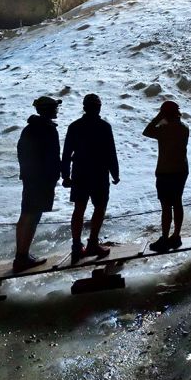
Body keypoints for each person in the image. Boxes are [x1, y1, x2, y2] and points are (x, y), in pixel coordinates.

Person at [62, 93, 120, 262]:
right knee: (100, 207)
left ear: (84, 108)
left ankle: (76, 246)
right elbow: (111, 153)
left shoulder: (75, 126)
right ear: (99, 108)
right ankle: (93, 243)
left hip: (80, 172)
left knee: (79, 208)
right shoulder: (104, 126)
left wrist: (65, 175)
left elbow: (66, 153)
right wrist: (115, 174)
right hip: (99, 173)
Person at [15, 95, 63, 271]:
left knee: (26, 214)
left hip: (30, 178)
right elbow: (52, 157)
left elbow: (22, 153)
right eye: (54, 107)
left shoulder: (28, 129)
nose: (57, 110)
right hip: (41, 181)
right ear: (48, 110)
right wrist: (55, 175)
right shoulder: (48, 130)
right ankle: (22, 257)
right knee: (33, 216)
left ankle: (21, 254)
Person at [144, 100, 190, 251]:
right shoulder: (185, 128)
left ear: (165, 113)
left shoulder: (163, 129)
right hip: (181, 170)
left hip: (165, 171)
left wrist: (158, 117)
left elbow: (147, 131)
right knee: (177, 202)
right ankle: (176, 236)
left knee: (166, 206)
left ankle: (164, 238)